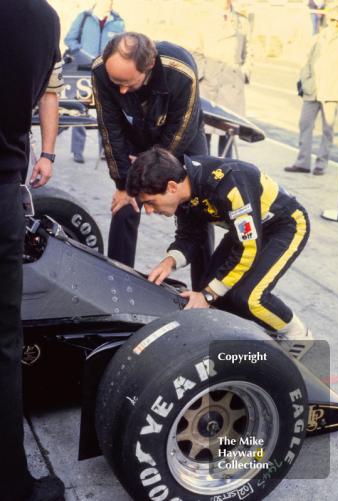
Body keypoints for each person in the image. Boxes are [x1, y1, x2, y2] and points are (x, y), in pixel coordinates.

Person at [126, 147, 314, 358]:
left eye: (150, 202)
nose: (149, 211)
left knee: (250, 297)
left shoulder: (228, 185)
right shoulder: (183, 186)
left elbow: (248, 248)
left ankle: (299, 337)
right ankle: (243, 343)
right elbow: (190, 236)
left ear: (171, 187)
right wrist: (170, 261)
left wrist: (208, 294)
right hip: (248, 231)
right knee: (213, 291)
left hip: (284, 225)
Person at [0, 1, 64, 500]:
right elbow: (43, 88)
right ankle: (12, 483)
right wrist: (45, 150)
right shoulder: (41, 18)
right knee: (3, 345)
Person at [92, 32, 210, 288]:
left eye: (128, 84)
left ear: (150, 66)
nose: (121, 90)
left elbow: (181, 132)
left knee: (199, 207)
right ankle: (117, 282)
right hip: (134, 133)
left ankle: (204, 292)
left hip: (181, 136)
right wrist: (123, 184)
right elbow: (109, 129)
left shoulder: (180, 71)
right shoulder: (101, 70)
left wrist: (148, 164)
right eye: (116, 82)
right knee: (126, 204)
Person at [285, 6, 338, 176]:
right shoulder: (318, 37)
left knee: (327, 129)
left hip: (332, 91)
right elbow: (307, 61)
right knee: (305, 125)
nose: (335, 24)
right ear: (328, 20)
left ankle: (321, 165)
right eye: (333, 20)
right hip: (312, 89)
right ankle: (303, 162)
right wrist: (305, 81)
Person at [64, 0, 125, 163]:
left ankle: (105, 151)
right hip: (83, 73)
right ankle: (77, 152)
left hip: (106, 74)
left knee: (106, 112)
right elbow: (69, 39)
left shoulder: (118, 23)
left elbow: (122, 48)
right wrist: (83, 54)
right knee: (81, 109)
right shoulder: (84, 17)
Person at [194, 0, 253, 157]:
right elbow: (195, 50)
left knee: (227, 135)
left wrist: (243, 73)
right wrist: (202, 73)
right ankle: (204, 175)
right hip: (208, 83)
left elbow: (249, 51)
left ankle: (225, 177)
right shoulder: (204, 18)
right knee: (203, 134)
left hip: (231, 84)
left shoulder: (243, 21)